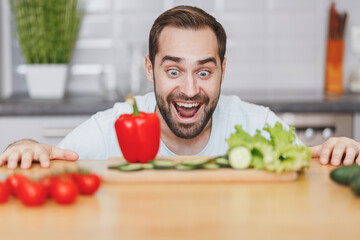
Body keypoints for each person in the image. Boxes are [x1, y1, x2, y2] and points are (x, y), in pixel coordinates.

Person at [1, 6, 359, 170]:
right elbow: (50, 156)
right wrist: (23, 147)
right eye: (173, 70)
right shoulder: (116, 123)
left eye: (204, 73)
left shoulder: (256, 122)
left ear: (223, 71)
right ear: (149, 70)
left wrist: (336, 149)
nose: (189, 90)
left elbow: (309, 161)